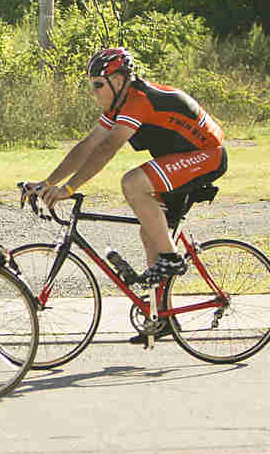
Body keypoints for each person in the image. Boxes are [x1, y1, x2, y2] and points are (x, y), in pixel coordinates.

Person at [27, 47, 227, 342]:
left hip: (207, 155)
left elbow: (107, 149)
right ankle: (162, 318)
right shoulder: (119, 105)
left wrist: (69, 188)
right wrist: (47, 182)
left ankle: (172, 258)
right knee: (151, 233)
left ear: (118, 81)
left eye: (98, 84)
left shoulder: (138, 101)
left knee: (133, 183)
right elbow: (88, 145)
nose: (93, 92)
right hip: (181, 155)